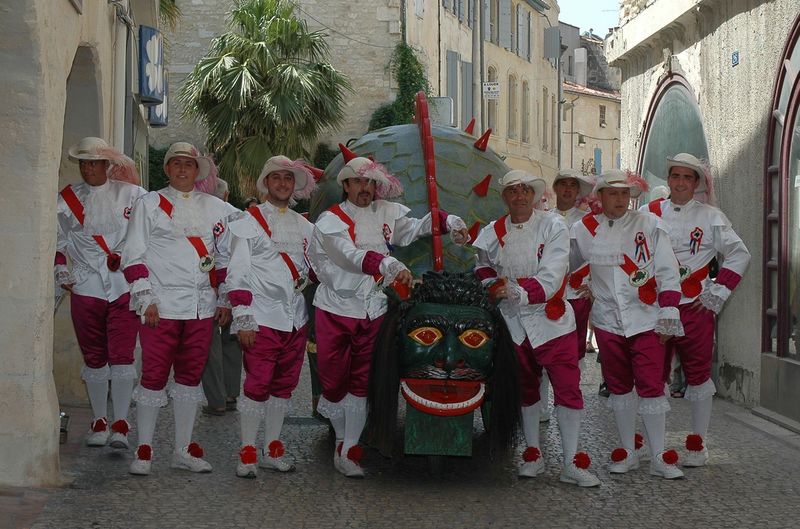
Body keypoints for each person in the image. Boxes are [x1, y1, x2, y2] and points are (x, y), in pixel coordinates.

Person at [308, 145, 468, 478]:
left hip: (374, 309)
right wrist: (390, 264)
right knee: (334, 383)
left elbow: (417, 226)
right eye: (358, 183)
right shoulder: (330, 221)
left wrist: (449, 220)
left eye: (371, 184)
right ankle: (341, 438)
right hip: (336, 309)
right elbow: (351, 257)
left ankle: (349, 447)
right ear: (347, 185)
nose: (365, 189)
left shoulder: (386, 213)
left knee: (362, 382)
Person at [473, 169, 600, 488]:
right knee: (526, 390)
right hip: (514, 321)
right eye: (512, 191)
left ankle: (571, 461)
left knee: (567, 389)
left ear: (534, 195)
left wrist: (520, 291)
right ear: (505, 197)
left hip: (551, 319)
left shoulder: (553, 225)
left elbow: (555, 270)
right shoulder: (493, 230)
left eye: (524, 191)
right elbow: (482, 263)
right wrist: (492, 283)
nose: (519, 196)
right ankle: (533, 453)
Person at [122, 142, 236, 476]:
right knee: (154, 377)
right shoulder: (149, 204)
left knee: (189, 379)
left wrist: (226, 298)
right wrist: (145, 296)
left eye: (189, 164)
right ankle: (144, 449)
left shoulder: (218, 208)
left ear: (198, 171)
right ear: (167, 169)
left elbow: (227, 255)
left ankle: (182, 449)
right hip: (161, 305)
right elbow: (133, 254)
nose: (183, 169)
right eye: (177, 164)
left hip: (202, 307)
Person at [571, 168, 685, 480]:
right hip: (607, 321)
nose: (620, 199)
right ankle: (628, 452)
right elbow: (565, 265)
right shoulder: (582, 229)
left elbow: (666, 269)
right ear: (600, 197)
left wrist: (669, 311)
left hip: (646, 318)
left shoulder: (649, 224)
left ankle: (659, 455)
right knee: (619, 387)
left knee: (651, 387)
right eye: (613, 193)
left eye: (625, 193)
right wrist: (580, 286)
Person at [643, 153, 750, 467]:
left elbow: (739, 254)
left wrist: (717, 293)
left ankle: (697, 444)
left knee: (699, 377)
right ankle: (657, 449)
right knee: (653, 376)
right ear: (669, 179)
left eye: (687, 178)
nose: (680, 183)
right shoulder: (649, 213)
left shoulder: (710, 216)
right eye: (675, 176)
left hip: (695, 308)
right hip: (657, 308)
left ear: (696, 183)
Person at [221, 156, 316, 478]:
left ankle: (272, 448)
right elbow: (237, 272)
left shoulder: (306, 227)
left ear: (294, 185)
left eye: (288, 179)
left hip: (295, 319)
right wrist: (244, 317)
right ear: (265, 183)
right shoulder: (248, 221)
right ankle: (247, 452)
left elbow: (317, 267)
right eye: (276, 178)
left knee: (284, 387)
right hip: (262, 317)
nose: (283, 184)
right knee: (257, 385)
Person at [56, 137, 146, 449]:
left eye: (94, 162)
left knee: (122, 356)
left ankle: (120, 422)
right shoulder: (68, 199)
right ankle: (98, 420)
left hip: (123, 287)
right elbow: (57, 240)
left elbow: (146, 234)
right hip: (86, 287)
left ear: (107, 165)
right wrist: (61, 270)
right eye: (83, 162)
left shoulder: (133, 195)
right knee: (94, 357)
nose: (88, 168)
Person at [538, 169, 596, 421]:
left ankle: (568, 404)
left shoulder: (590, 221)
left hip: (576, 295)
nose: (568, 189)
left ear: (579, 192)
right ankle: (540, 408)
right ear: (556, 188)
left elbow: (601, 255)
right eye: (563, 184)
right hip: (547, 296)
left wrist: (593, 283)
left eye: (573, 185)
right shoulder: (541, 218)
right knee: (541, 348)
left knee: (573, 354)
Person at [199, 178, 243, 416]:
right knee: (231, 340)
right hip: (237, 284)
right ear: (226, 195)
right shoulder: (238, 215)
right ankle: (231, 393)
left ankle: (216, 398)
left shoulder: (202, 213)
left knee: (210, 345)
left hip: (209, 284)